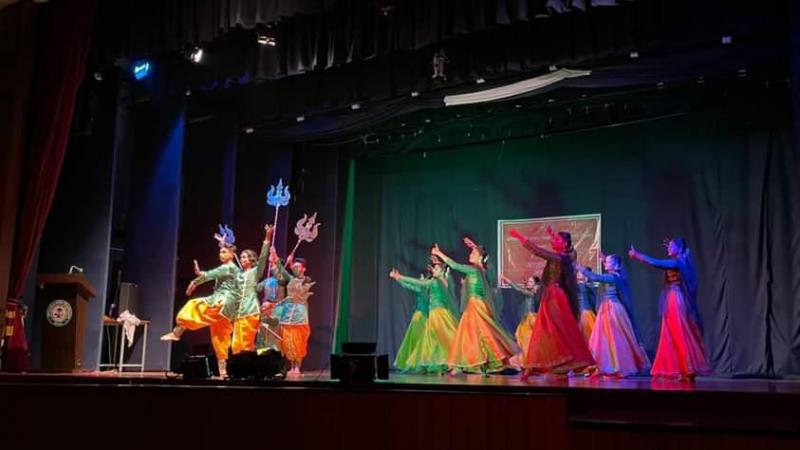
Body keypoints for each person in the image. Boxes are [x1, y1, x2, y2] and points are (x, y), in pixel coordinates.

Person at [509, 228, 594, 378]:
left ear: (566, 243)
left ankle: (565, 362)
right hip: (549, 295)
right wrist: (553, 235)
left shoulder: (562, 258)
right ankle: (535, 365)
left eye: (557, 240)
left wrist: (520, 237)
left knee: (556, 329)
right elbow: (564, 248)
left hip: (556, 297)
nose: (553, 241)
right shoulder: (563, 256)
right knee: (543, 329)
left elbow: (537, 251)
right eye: (553, 239)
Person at [160, 225, 239, 378]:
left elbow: (212, 274)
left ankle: (178, 331)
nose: (221, 254)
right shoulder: (230, 268)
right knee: (220, 337)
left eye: (224, 252)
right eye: (220, 252)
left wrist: (194, 282)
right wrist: (200, 273)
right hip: (227, 309)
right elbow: (214, 274)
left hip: (222, 302)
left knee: (193, 305)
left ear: (231, 254)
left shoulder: (229, 267)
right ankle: (223, 372)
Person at [432, 238, 519, 375]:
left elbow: (454, 265)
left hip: (476, 306)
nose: (469, 254)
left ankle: (490, 361)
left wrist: (439, 253)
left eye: (472, 253)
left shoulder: (474, 269)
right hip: (475, 305)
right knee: (472, 333)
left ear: (479, 257)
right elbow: (484, 260)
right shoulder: (480, 269)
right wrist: (475, 247)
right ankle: (471, 365)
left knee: (482, 332)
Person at [629, 238, 710, 380]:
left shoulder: (677, 263)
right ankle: (683, 369)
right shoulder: (681, 261)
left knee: (679, 333)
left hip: (676, 300)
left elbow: (656, 263)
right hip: (674, 298)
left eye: (672, 246)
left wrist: (637, 255)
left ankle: (688, 368)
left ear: (679, 249)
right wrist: (673, 248)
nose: (668, 247)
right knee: (674, 333)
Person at [575, 254, 649, 376]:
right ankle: (605, 365)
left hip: (612, 310)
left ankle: (617, 366)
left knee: (614, 339)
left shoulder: (613, 277)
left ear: (616, 265)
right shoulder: (615, 275)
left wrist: (580, 267)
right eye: (605, 262)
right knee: (604, 339)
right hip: (606, 308)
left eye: (608, 262)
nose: (605, 264)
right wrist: (605, 259)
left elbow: (594, 277)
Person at [389, 258, 459, 374]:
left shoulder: (435, 282)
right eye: (433, 269)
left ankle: (455, 363)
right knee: (436, 341)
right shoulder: (442, 281)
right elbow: (416, 285)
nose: (433, 271)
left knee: (445, 339)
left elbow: (418, 283)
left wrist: (400, 277)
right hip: (436, 315)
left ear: (442, 271)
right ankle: (443, 365)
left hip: (439, 315)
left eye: (436, 269)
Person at [230, 225, 273, 356]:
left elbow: (263, 257)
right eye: (241, 257)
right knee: (235, 344)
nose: (242, 259)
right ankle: (237, 369)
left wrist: (268, 236)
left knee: (246, 343)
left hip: (251, 311)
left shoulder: (255, 272)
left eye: (245, 257)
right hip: (239, 313)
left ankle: (246, 369)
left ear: (251, 259)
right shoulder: (239, 275)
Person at [271, 250, 314, 376]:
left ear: (304, 269)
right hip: (288, 313)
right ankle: (292, 366)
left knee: (299, 342)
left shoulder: (306, 279)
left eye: (298, 266)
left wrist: (290, 264)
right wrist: (275, 256)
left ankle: (298, 367)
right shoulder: (290, 279)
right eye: (294, 267)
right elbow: (281, 270)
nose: (295, 268)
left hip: (299, 316)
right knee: (289, 342)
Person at [501, 275, 541, 361]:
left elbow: (519, 290)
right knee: (521, 338)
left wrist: (509, 281)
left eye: (531, 282)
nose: (528, 283)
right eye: (528, 281)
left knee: (526, 340)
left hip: (529, 320)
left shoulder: (531, 294)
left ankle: (529, 359)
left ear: (536, 285)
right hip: (526, 319)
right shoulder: (528, 293)